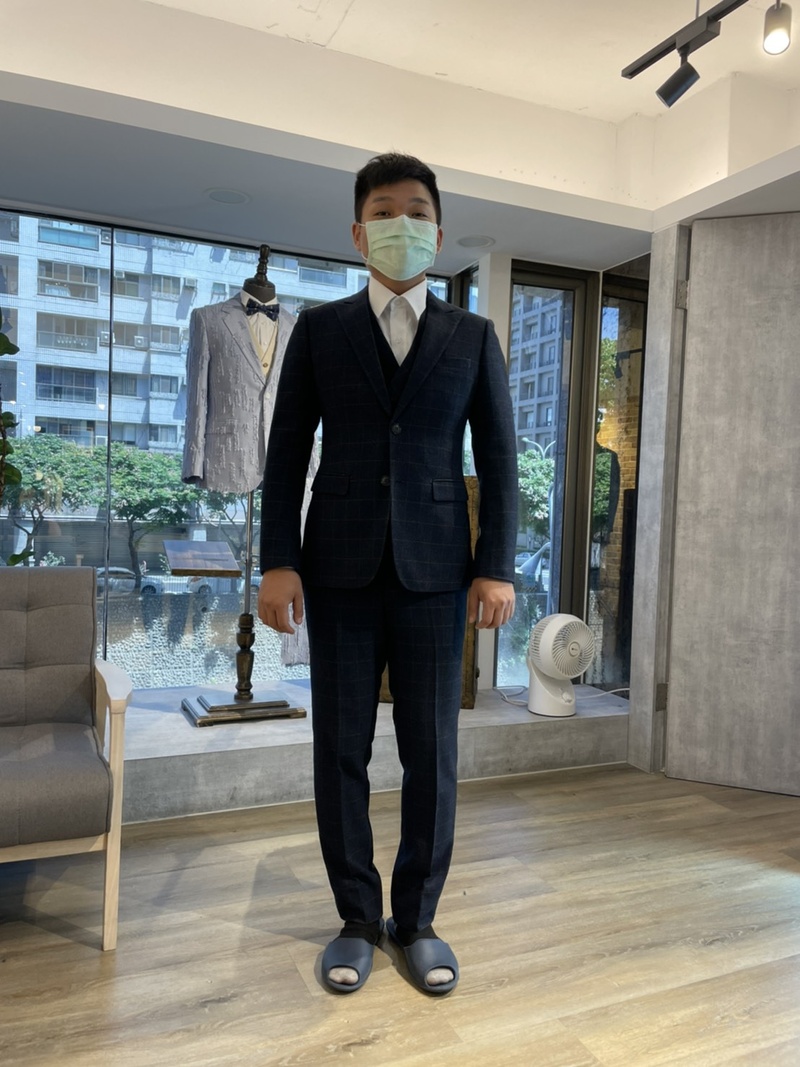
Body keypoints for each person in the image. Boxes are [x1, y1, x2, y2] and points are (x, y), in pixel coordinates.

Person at [258, 152, 517, 996]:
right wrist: (277, 560)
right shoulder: (319, 329)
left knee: (431, 751)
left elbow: (500, 461)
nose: (401, 223)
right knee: (340, 748)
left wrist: (495, 566)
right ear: (357, 230)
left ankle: (419, 920)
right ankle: (357, 918)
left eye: (416, 211)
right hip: (336, 568)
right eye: (383, 210)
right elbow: (286, 452)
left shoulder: (472, 337)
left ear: (437, 231)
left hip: (438, 573)